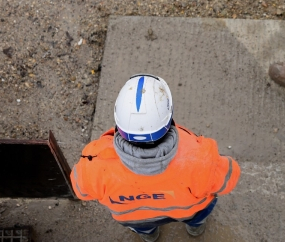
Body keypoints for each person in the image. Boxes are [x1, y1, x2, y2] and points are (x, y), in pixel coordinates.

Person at [70, 74, 240, 242]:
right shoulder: (199, 157)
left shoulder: (94, 164)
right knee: (199, 215)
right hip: (190, 211)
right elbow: (228, 180)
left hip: (135, 219)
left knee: (144, 228)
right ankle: (195, 227)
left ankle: (149, 235)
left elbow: (81, 190)